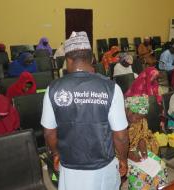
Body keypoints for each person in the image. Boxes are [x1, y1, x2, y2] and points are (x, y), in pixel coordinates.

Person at [41, 31, 129, 190]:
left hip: (69, 166)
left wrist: (56, 153)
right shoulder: (111, 88)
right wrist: (123, 159)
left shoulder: (52, 89)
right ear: (93, 59)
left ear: (68, 59)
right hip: (103, 167)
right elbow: (121, 136)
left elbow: (48, 133)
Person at [125, 95, 167, 189]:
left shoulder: (141, 120)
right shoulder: (118, 123)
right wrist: (129, 154)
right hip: (119, 153)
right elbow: (114, 144)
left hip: (135, 148)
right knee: (139, 173)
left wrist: (143, 150)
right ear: (129, 111)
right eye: (137, 118)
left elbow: (142, 136)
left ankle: (159, 187)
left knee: (160, 164)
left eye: (141, 118)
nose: (139, 120)